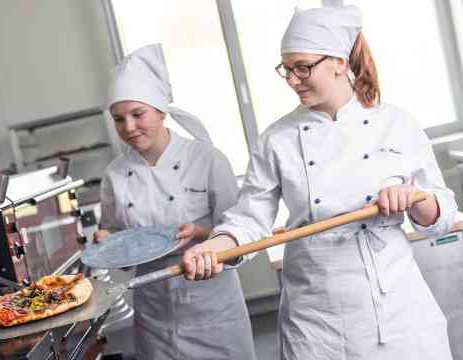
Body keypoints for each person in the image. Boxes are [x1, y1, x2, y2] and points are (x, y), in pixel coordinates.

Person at [182, 5, 457, 360]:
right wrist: (216, 246)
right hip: (315, 315)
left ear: (339, 63)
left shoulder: (396, 123)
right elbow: (249, 217)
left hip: (395, 306)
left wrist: (415, 197)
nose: (292, 79)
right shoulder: (277, 139)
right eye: (287, 69)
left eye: (302, 67)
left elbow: (445, 214)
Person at [94, 44, 257, 360]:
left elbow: (240, 233)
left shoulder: (206, 158)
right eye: (119, 119)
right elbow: (117, 247)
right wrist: (108, 243)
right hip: (154, 309)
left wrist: (199, 233)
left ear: (160, 111)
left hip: (212, 306)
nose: (128, 127)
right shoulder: (114, 175)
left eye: (137, 114)